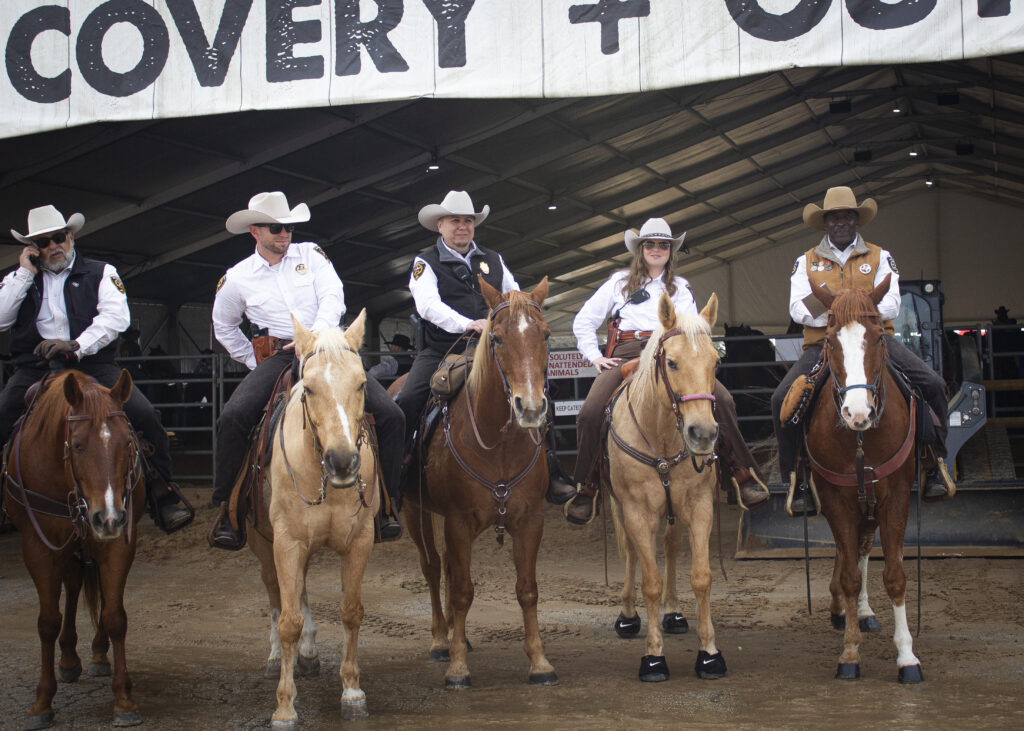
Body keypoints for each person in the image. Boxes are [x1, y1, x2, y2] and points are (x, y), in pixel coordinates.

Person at [208, 192, 404, 548]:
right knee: (233, 417)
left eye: (289, 227)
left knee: (391, 414)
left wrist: (315, 337)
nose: (285, 234)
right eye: (276, 228)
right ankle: (229, 510)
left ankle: (387, 506)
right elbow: (223, 325)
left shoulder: (312, 254)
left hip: (328, 345)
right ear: (255, 231)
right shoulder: (237, 278)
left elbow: (333, 294)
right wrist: (253, 359)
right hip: (279, 355)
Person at [562, 218, 770, 525]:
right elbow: (583, 321)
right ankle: (587, 486)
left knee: (723, 401)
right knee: (590, 412)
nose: (657, 249)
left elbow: (692, 328)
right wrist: (594, 356)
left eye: (663, 245)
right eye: (651, 244)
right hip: (627, 353)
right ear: (640, 249)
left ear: (670, 251)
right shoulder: (618, 283)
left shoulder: (681, 288)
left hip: (670, 352)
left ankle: (740, 472)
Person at [0, 205, 192, 532]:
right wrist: (24, 274)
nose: (53, 246)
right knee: (3, 414)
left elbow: (115, 319)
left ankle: (163, 494)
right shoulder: (21, 280)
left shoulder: (102, 272)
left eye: (58, 238)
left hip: (92, 364)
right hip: (34, 368)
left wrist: (76, 345)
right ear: (33, 249)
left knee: (145, 415)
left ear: (70, 236)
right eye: (43, 242)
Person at [771, 186, 955, 513]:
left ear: (857, 220)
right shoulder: (806, 262)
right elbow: (797, 309)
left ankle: (934, 464)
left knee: (933, 385)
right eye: (834, 217)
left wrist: (856, 315)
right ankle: (796, 478)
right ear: (825, 223)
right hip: (824, 345)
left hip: (874, 341)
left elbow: (894, 305)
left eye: (847, 216)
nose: (841, 222)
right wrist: (840, 314)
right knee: (782, 400)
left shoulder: (880, 257)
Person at [395, 190, 574, 501]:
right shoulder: (425, 262)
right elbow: (427, 306)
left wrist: (522, 315)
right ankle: (400, 470)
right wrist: (467, 323)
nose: (462, 226)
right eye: (455, 221)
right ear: (441, 225)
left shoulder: (493, 258)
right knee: (408, 398)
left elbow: (514, 295)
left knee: (540, 389)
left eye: (468, 221)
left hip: (494, 347)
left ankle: (551, 465)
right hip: (443, 349)